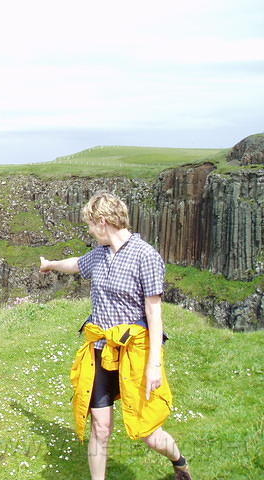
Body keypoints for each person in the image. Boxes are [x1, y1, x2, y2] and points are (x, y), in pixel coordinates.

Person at [39, 192, 192, 480]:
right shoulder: (99, 253)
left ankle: (179, 460)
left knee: (148, 431)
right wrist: (51, 265)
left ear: (103, 221)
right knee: (101, 425)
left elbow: (154, 313)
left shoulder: (146, 257)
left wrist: (154, 365)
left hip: (134, 352)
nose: (89, 230)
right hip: (99, 348)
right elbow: (76, 264)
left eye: (90, 224)